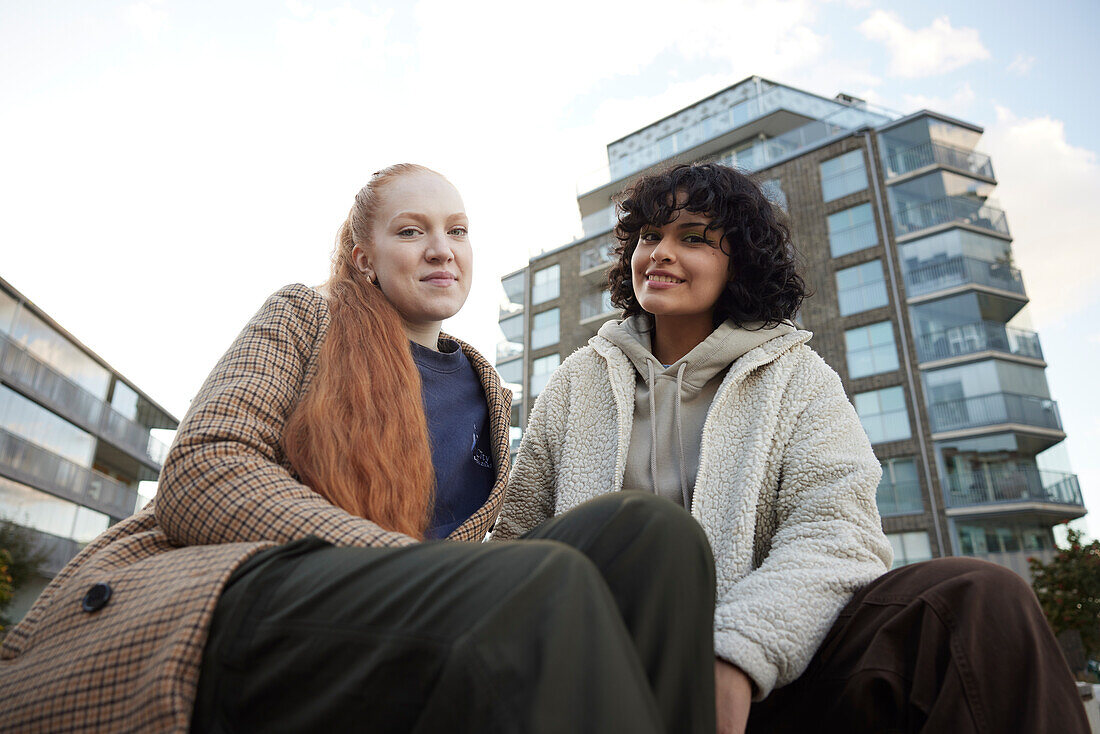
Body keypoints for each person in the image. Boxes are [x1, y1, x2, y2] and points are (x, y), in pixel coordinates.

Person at [0, 164, 718, 734]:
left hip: (397, 622)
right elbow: (204, 470)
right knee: (542, 581)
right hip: (240, 595)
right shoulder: (305, 315)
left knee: (654, 537)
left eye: (458, 230)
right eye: (412, 231)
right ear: (363, 256)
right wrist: (404, 562)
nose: (442, 248)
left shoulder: (488, 393)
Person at [494, 162, 1089, 734]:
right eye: (650, 236)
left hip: (769, 677)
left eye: (694, 238)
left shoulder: (800, 378)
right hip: (606, 667)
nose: (662, 253)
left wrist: (738, 652)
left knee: (979, 599)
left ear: (742, 265)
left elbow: (838, 533)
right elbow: (520, 537)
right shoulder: (580, 379)